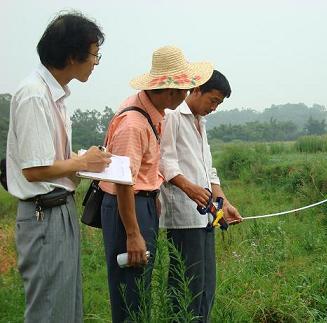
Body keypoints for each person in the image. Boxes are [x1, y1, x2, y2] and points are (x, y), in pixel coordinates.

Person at [6, 12, 111, 323]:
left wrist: (84, 161)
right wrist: (81, 162)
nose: (95, 62)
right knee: (50, 311)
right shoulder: (34, 95)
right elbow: (34, 170)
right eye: (94, 54)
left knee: (65, 307)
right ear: (71, 54)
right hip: (44, 213)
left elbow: (52, 161)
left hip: (59, 209)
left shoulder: (57, 97)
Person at [99, 45, 213, 323]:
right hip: (129, 207)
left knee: (140, 284)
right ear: (173, 91)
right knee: (131, 291)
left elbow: (143, 171)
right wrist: (133, 234)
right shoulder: (134, 123)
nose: (187, 95)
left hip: (143, 204)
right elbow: (123, 182)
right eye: (186, 89)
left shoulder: (152, 114)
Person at [159, 70, 243, 322]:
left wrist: (223, 203)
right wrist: (189, 188)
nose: (214, 108)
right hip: (185, 215)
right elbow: (164, 162)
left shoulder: (200, 121)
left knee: (206, 283)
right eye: (213, 101)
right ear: (196, 90)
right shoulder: (172, 116)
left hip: (206, 214)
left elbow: (208, 170)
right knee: (187, 283)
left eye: (218, 103)